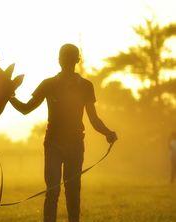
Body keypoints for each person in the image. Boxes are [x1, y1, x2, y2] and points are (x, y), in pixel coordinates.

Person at [8, 44, 117, 222]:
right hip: (62, 144)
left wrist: (9, 95)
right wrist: (108, 132)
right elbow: (94, 120)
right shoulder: (80, 85)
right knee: (69, 191)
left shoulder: (52, 84)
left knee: (55, 191)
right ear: (77, 60)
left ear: (60, 60)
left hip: (61, 144)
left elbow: (25, 109)